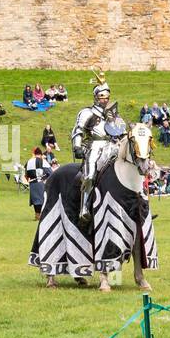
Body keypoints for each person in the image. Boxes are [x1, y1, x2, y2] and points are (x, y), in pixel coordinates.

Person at [72, 72, 120, 225]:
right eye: (102, 98)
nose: (105, 101)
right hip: (94, 145)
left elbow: (120, 129)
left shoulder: (112, 114)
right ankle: (84, 209)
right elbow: (78, 130)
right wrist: (77, 146)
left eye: (107, 98)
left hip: (112, 145)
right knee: (90, 176)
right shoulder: (87, 112)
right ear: (96, 98)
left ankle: (136, 205)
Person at [24, 147, 51, 219]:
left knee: (35, 200)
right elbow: (50, 173)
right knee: (42, 199)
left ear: (34, 154)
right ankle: (42, 215)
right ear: (41, 154)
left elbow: (26, 175)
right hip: (42, 182)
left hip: (32, 183)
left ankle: (37, 215)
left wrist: (29, 181)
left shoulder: (29, 162)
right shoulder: (44, 161)